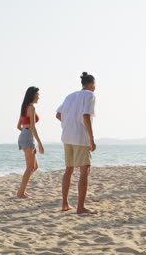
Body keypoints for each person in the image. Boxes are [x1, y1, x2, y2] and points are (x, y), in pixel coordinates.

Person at [56, 72, 97, 215]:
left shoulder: (70, 96)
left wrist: (68, 124)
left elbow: (58, 114)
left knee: (69, 170)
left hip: (67, 136)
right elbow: (86, 115)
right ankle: (80, 207)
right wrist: (92, 138)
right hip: (80, 136)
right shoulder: (89, 95)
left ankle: (65, 203)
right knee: (84, 170)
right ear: (91, 84)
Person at [16, 86, 44, 198]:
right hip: (27, 136)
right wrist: (40, 144)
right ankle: (20, 193)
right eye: (37, 94)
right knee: (30, 167)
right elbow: (32, 126)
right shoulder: (31, 108)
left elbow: (18, 126)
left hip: (24, 135)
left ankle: (22, 190)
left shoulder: (24, 107)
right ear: (32, 95)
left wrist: (25, 133)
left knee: (34, 166)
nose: (39, 97)